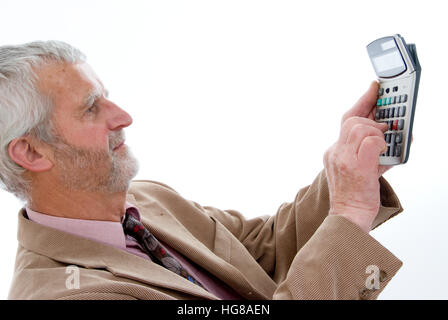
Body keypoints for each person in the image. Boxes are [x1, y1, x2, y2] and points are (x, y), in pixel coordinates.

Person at [1, 40, 403, 300]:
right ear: (32, 152)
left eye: (107, 98)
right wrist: (349, 213)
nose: (123, 117)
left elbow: (264, 251)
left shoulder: (148, 199)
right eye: (91, 107)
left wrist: (353, 169)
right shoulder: (65, 295)